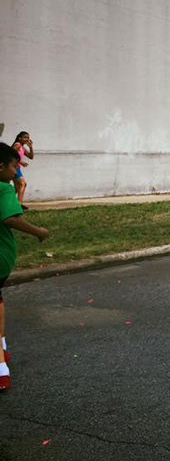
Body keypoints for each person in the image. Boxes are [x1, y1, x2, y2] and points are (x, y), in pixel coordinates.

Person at [0, 142, 50, 390]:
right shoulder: (4, 188)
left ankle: (1, 359)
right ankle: (2, 356)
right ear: (1, 167)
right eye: (13, 167)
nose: (16, 172)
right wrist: (39, 231)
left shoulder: (5, 189)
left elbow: (10, 218)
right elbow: (10, 218)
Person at [11, 132, 34, 210]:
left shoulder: (22, 148)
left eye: (28, 137)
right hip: (13, 167)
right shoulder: (17, 145)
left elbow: (31, 157)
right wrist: (20, 162)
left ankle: (9, 201)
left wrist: (31, 147)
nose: (27, 139)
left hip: (16, 167)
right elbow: (10, 156)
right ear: (19, 138)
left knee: (17, 186)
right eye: (25, 137)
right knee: (22, 183)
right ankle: (19, 204)